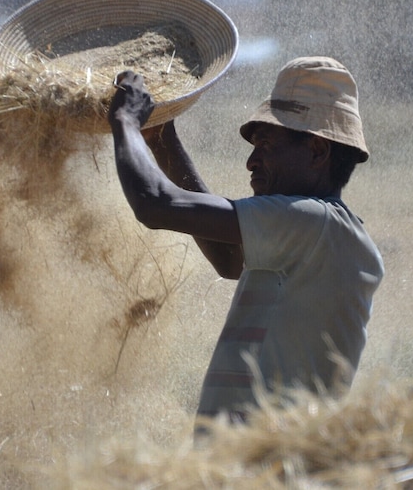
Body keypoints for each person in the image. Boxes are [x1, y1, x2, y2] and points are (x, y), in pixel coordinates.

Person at [108, 56, 384, 426]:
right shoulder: (323, 234)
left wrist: (125, 121)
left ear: (317, 151)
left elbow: (155, 204)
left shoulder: (313, 221)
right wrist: (161, 138)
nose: (251, 161)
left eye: (267, 145)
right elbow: (228, 261)